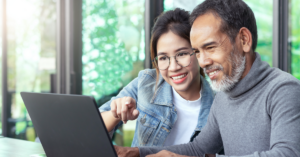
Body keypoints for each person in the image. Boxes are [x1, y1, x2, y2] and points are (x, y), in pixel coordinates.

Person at [115, 0, 300, 156]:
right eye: (197, 52)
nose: (202, 62)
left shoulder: (283, 89)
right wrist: (138, 152)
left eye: (210, 48)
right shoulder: (224, 97)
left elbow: (287, 153)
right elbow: (198, 148)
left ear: (243, 40)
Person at [99, 8, 215, 148]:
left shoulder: (218, 105)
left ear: (197, 52)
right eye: (163, 58)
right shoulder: (146, 83)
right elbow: (92, 127)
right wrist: (116, 113)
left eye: (182, 54)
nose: (173, 67)